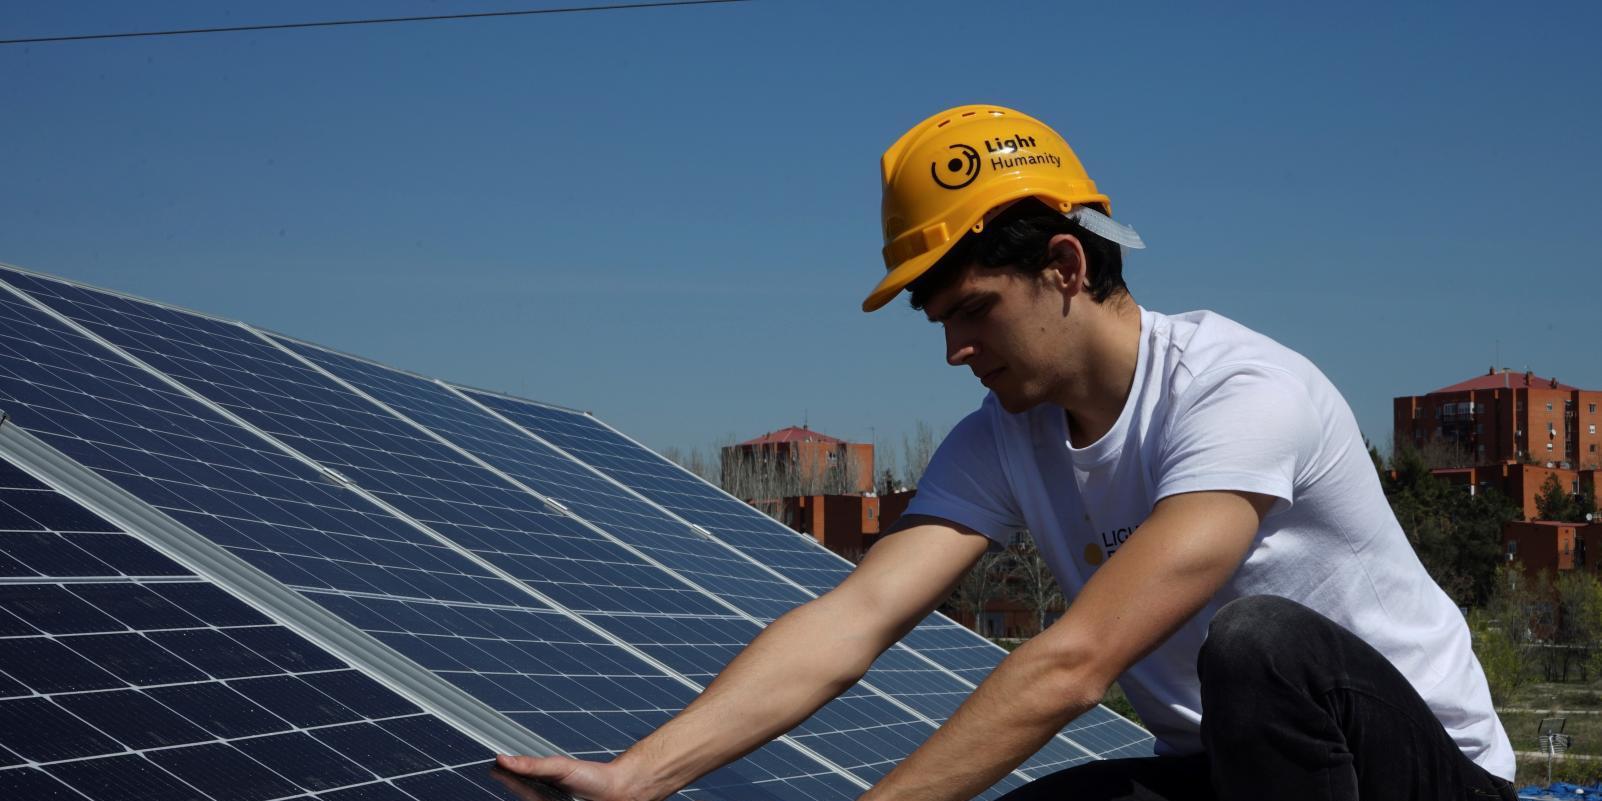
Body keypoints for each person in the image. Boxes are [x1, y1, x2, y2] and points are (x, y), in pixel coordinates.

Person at [498, 105, 1516, 800]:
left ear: (1065, 265)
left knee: (1258, 644)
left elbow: (1074, 664)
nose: (954, 349)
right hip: (1231, 773)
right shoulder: (1002, 437)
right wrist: (639, 774)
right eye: (938, 321)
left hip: (1424, 774)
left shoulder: (1238, 391)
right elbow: (853, 619)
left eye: (974, 309)